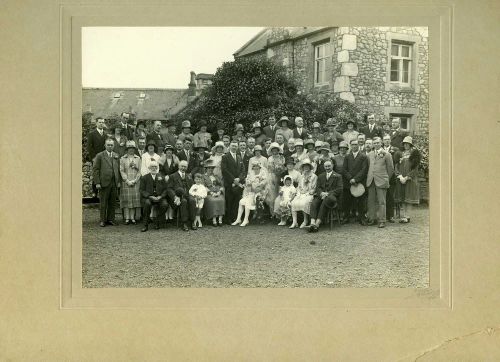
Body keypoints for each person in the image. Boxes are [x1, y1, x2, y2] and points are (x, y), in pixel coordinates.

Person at [366, 137, 394, 228]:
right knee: (371, 201)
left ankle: (382, 220)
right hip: (371, 180)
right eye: (374, 143)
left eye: (378, 142)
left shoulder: (387, 154)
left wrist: (386, 178)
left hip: (381, 180)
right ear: (373, 144)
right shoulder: (370, 154)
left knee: (382, 201)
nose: (376, 144)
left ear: (381, 143)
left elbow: (391, 169)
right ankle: (372, 218)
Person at [92, 138, 121, 227]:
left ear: (114, 146)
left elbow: (118, 169)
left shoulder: (116, 155)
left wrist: (118, 181)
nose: (110, 146)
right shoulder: (100, 155)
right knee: (103, 202)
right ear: (105, 145)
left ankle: (111, 219)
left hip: (114, 182)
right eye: (108, 145)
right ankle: (102, 220)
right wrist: (97, 182)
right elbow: (95, 170)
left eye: (111, 145)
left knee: (112, 202)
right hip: (104, 182)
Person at [309, 159, 344, 232]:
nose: (327, 168)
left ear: (333, 166)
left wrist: (328, 193)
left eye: (329, 166)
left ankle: (317, 224)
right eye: (326, 166)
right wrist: (321, 193)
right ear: (324, 167)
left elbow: (339, 189)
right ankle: (312, 223)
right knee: (314, 202)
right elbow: (317, 188)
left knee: (326, 200)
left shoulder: (338, 176)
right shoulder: (321, 176)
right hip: (322, 195)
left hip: (332, 197)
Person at [231, 161, 268, 226]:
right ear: (252, 168)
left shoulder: (263, 175)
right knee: (241, 201)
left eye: (257, 167)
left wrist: (253, 188)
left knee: (248, 202)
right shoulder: (250, 175)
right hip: (250, 192)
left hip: (259, 194)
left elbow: (260, 187)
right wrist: (250, 187)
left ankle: (246, 219)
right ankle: (238, 219)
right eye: (254, 167)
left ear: (260, 167)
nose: (256, 169)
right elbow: (248, 185)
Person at [394, 136, 421, 223]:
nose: (406, 145)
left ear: (410, 145)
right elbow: (396, 166)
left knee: (408, 198)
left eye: (407, 144)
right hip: (401, 179)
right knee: (403, 198)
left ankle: (407, 216)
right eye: (404, 144)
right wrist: (400, 176)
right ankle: (404, 215)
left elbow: (415, 169)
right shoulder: (400, 154)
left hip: (410, 180)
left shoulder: (414, 155)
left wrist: (407, 177)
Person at [342, 139, 369, 225]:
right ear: (350, 146)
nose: (354, 146)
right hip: (348, 182)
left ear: (359, 146)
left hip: (359, 182)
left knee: (361, 201)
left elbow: (364, 170)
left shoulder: (363, 156)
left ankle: (361, 218)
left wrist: (356, 179)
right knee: (347, 200)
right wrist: (350, 179)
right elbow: (344, 169)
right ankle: (346, 217)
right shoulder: (347, 156)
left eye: (356, 144)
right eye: (353, 144)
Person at [167, 160, 197, 231]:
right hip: (178, 196)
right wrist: (174, 196)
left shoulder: (189, 176)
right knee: (183, 201)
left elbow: (193, 187)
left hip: (188, 194)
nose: (183, 168)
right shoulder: (172, 176)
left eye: (185, 167)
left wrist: (195, 194)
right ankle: (184, 223)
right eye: (182, 166)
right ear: (178, 166)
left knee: (192, 201)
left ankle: (192, 221)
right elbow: (169, 189)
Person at [140, 161, 169, 231]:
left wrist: (161, 196)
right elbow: (141, 190)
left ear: (157, 168)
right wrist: (150, 196)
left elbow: (166, 189)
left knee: (165, 204)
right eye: (152, 167)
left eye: (155, 167)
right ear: (149, 168)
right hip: (149, 197)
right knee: (147, 203)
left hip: (159, 197)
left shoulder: (161, 177)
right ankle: (145, 225)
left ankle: (157, 221)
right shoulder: (144, 178)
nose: (154, 168)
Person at [221, 141, 246, 224]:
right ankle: (228, 218)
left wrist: (239, 178)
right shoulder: (225, 157)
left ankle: (235, 218)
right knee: (229, 200)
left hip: (238, 183)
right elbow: (224, 170)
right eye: (233, 146)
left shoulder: (239, 157)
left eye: (235, 146)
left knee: (236, 200)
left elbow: (243, 170)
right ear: (229, 147)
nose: (234, 147)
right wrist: (233, 179)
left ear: (237, 147)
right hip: (229, 182)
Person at [119, 141, 142, 225]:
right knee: (127, 200)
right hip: (126, 182)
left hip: (136, 182)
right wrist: (127, 180)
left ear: (134, 149)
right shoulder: (122, 158)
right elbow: (121, 170)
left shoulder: (138, 159)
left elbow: (140, 171)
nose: (131, 150)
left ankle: (132, 218)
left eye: (132, 149)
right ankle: (127, 218)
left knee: (133, 200)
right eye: (129, 149)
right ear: (127, 150)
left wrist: (135, 180)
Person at [290, 160, 317, 228]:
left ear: (310, 167)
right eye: (304, 166)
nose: (306, 168)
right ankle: (294, 222)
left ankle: (305, 220)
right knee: (293, 202)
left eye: (307, 166)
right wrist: (299, 192)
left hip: (309, 194)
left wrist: (308, 191)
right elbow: (299, 186)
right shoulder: (302, 176)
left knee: (304, 203)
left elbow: (314, 187)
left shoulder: (314, 176)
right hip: (301, 193)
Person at [203, 158, 225, 227]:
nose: (211, 170)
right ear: (206, 169)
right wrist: (211, 193)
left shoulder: (216, 176)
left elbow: (221, 185)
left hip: (217, 192)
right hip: (209, 194)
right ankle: (214, 219)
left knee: (221, 200)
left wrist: (219, 191)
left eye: (212, 168)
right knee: (212, 201)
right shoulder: (203, 176)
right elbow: (203, 187)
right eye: (209, 168)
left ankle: (220, 219)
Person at [382, 134, 400, 222]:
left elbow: (397, 163)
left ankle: (391, 215)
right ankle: (383, 215)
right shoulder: (379, 150)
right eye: (385, 139)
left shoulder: (395, 150)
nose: (387, 141)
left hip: (391, 177)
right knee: (382, 196)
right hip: (381, 176)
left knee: (390, 196)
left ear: (390, 140)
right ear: (382, 141)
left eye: (388, 139)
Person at [265, 142, 286, 214]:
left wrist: (279, 170)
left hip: (280, 176)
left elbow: (283, 167)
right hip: (271, 176)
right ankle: (272, 213)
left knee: (279, 193)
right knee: (271, 194)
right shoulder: (269, 158)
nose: (274, 151)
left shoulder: (282, 157)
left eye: (276, 150)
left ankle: (279, 213)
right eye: (273, 150)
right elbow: (268, 168)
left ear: (278, 150)